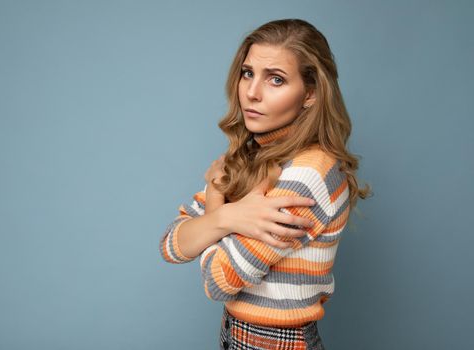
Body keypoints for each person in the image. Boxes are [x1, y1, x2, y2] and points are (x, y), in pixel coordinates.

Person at [159, 18, 372, 350]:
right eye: (248, 73)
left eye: (276, 79)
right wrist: (226, 216)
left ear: (310, 94)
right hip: (236, 335)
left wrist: (215, 204)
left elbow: (218, 282)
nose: (252, 93)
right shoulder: (251, 158)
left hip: (278, 343)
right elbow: (171, 244)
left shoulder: (309, 174)